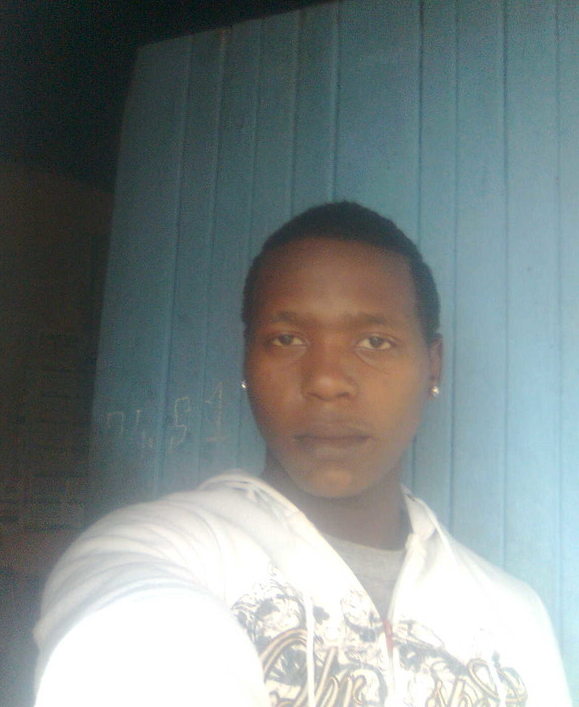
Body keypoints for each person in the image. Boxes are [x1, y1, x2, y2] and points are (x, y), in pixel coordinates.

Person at [33, 202, 570, 706]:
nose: (326, 381)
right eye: (286, 339)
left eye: (375, 341)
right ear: (246, 362)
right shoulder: (150, 551)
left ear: (434, 365)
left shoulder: (516, 615)